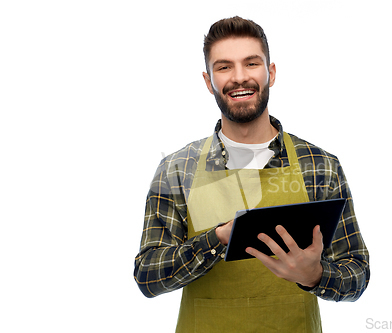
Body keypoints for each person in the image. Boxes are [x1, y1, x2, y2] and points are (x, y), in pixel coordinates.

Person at [134, 16, 370, 333]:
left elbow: (357, 272)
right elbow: (148, 277)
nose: (240, 77)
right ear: (209, 82)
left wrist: (314, 276)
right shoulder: (178, 168)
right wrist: (217, 239)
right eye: (224, 67)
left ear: (270, 73)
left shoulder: (320, 165)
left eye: (251, 63)